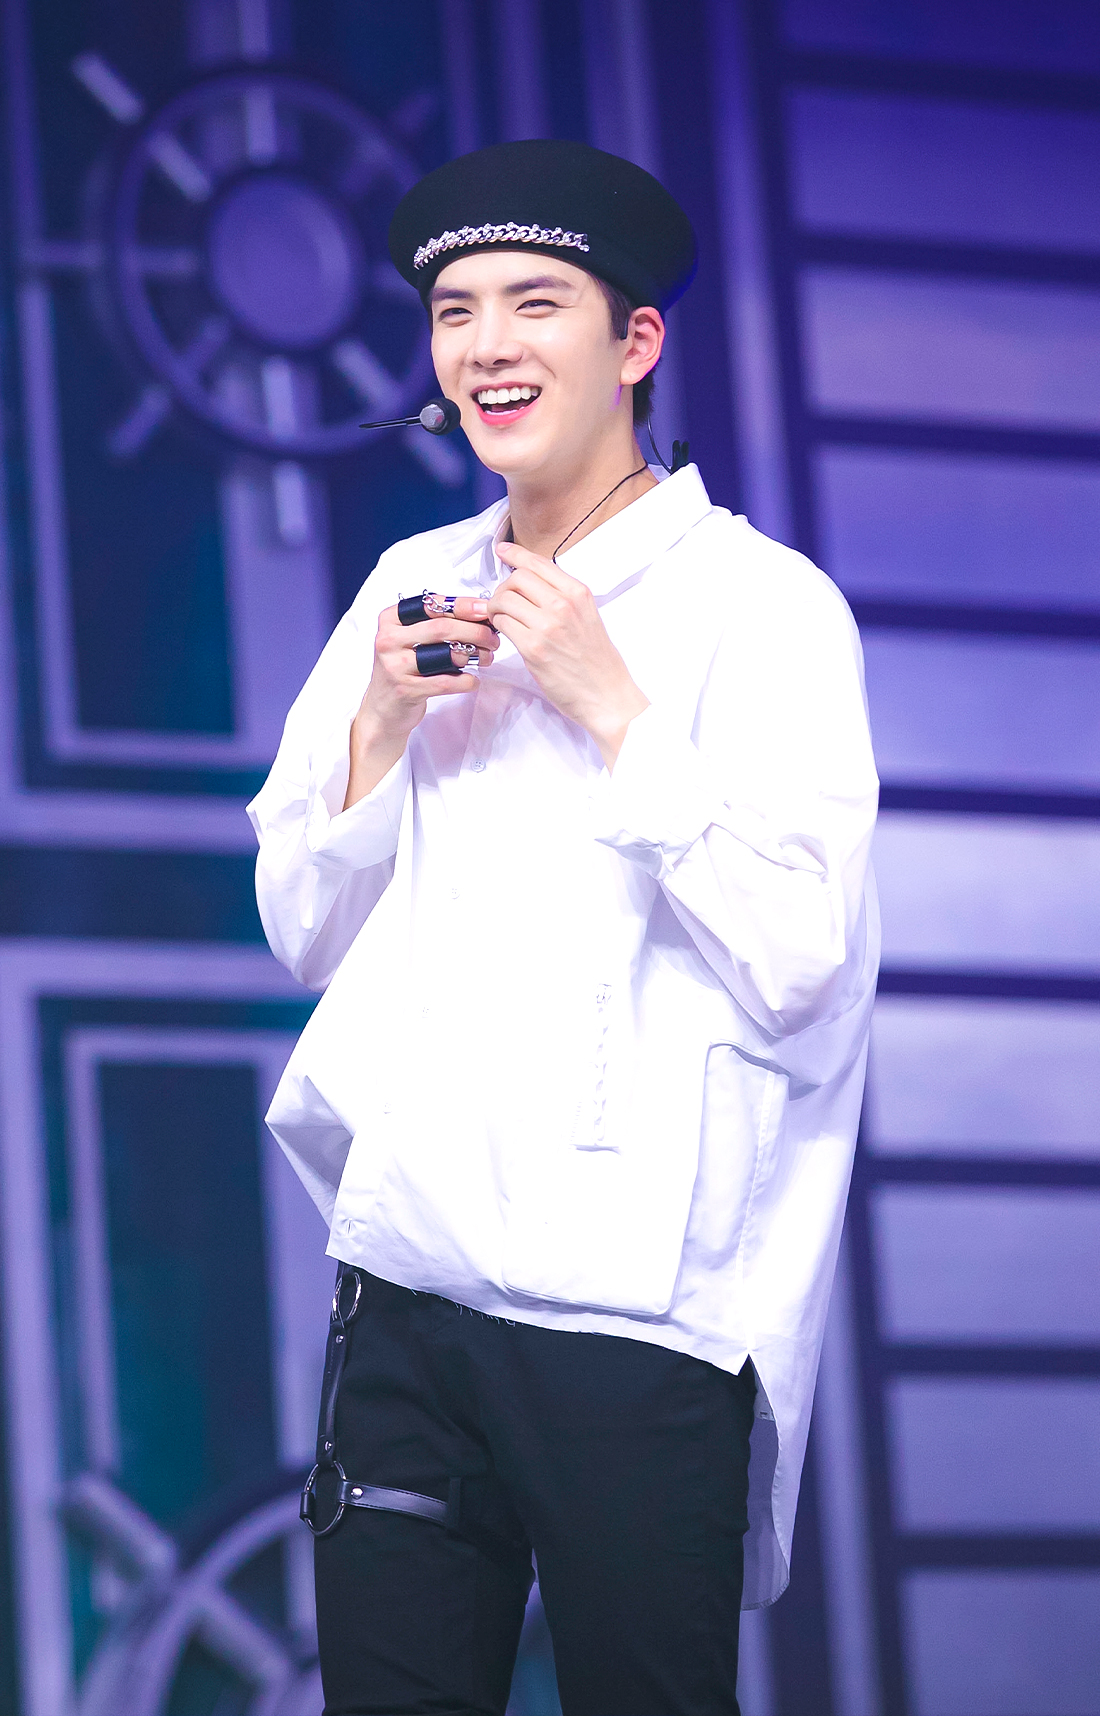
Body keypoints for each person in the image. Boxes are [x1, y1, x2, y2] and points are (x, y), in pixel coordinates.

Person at [249, 137, 879, 1716]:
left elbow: (804, 966)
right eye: (455, 311)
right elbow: (302, 930)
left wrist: (617, 712)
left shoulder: (765, 607)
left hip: (639, 1311)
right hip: (407, 1281)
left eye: (536, 303)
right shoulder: (409, 584)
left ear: (636, 342)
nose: (486, 346)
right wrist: (380, 726)